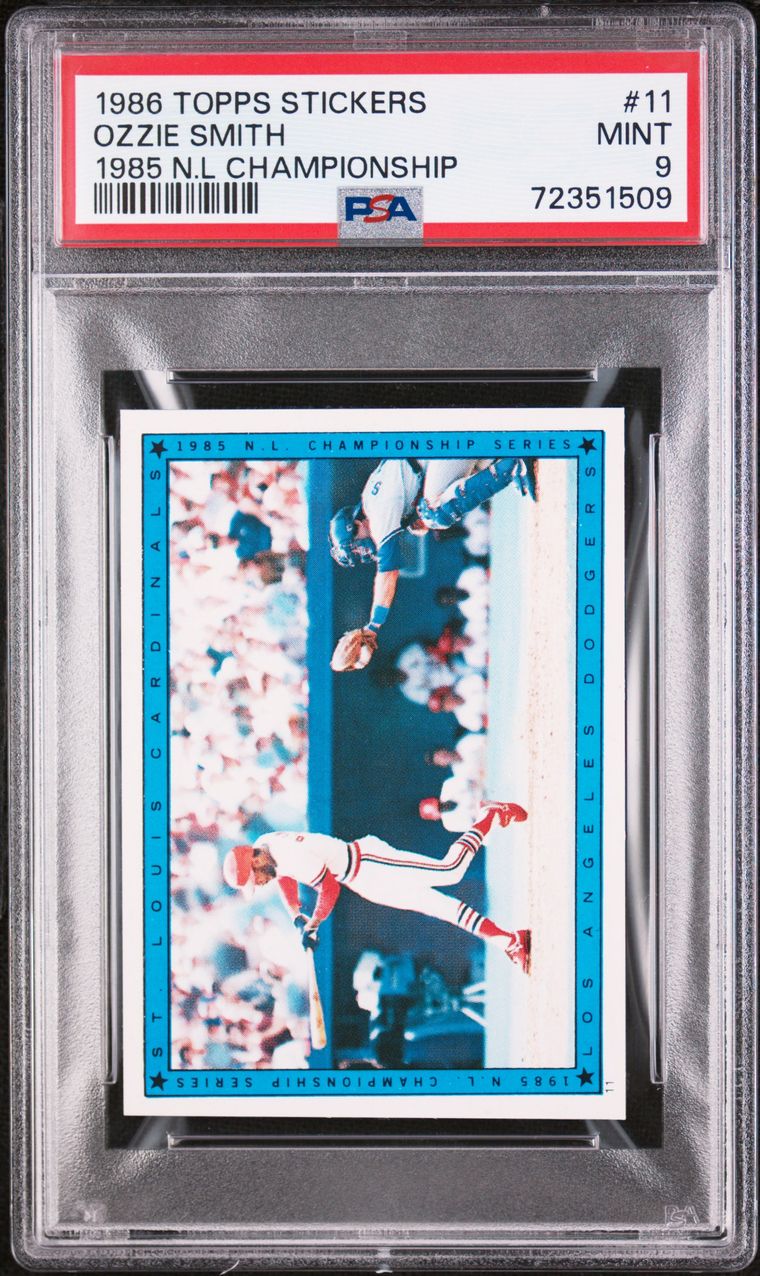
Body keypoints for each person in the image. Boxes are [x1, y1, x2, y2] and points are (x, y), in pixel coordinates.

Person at [222, 801, 532, 973]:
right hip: (363, 881)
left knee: (450, 870)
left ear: (255, 860)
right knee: (439, 907)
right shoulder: (264, 844)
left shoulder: (290, 855)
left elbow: (329, 889)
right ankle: (509, 941)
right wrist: (295, 916)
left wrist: (314, 924)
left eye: (254, 878)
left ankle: (489, 816)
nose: (258, 883)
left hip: (368, 861)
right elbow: (283, 876)